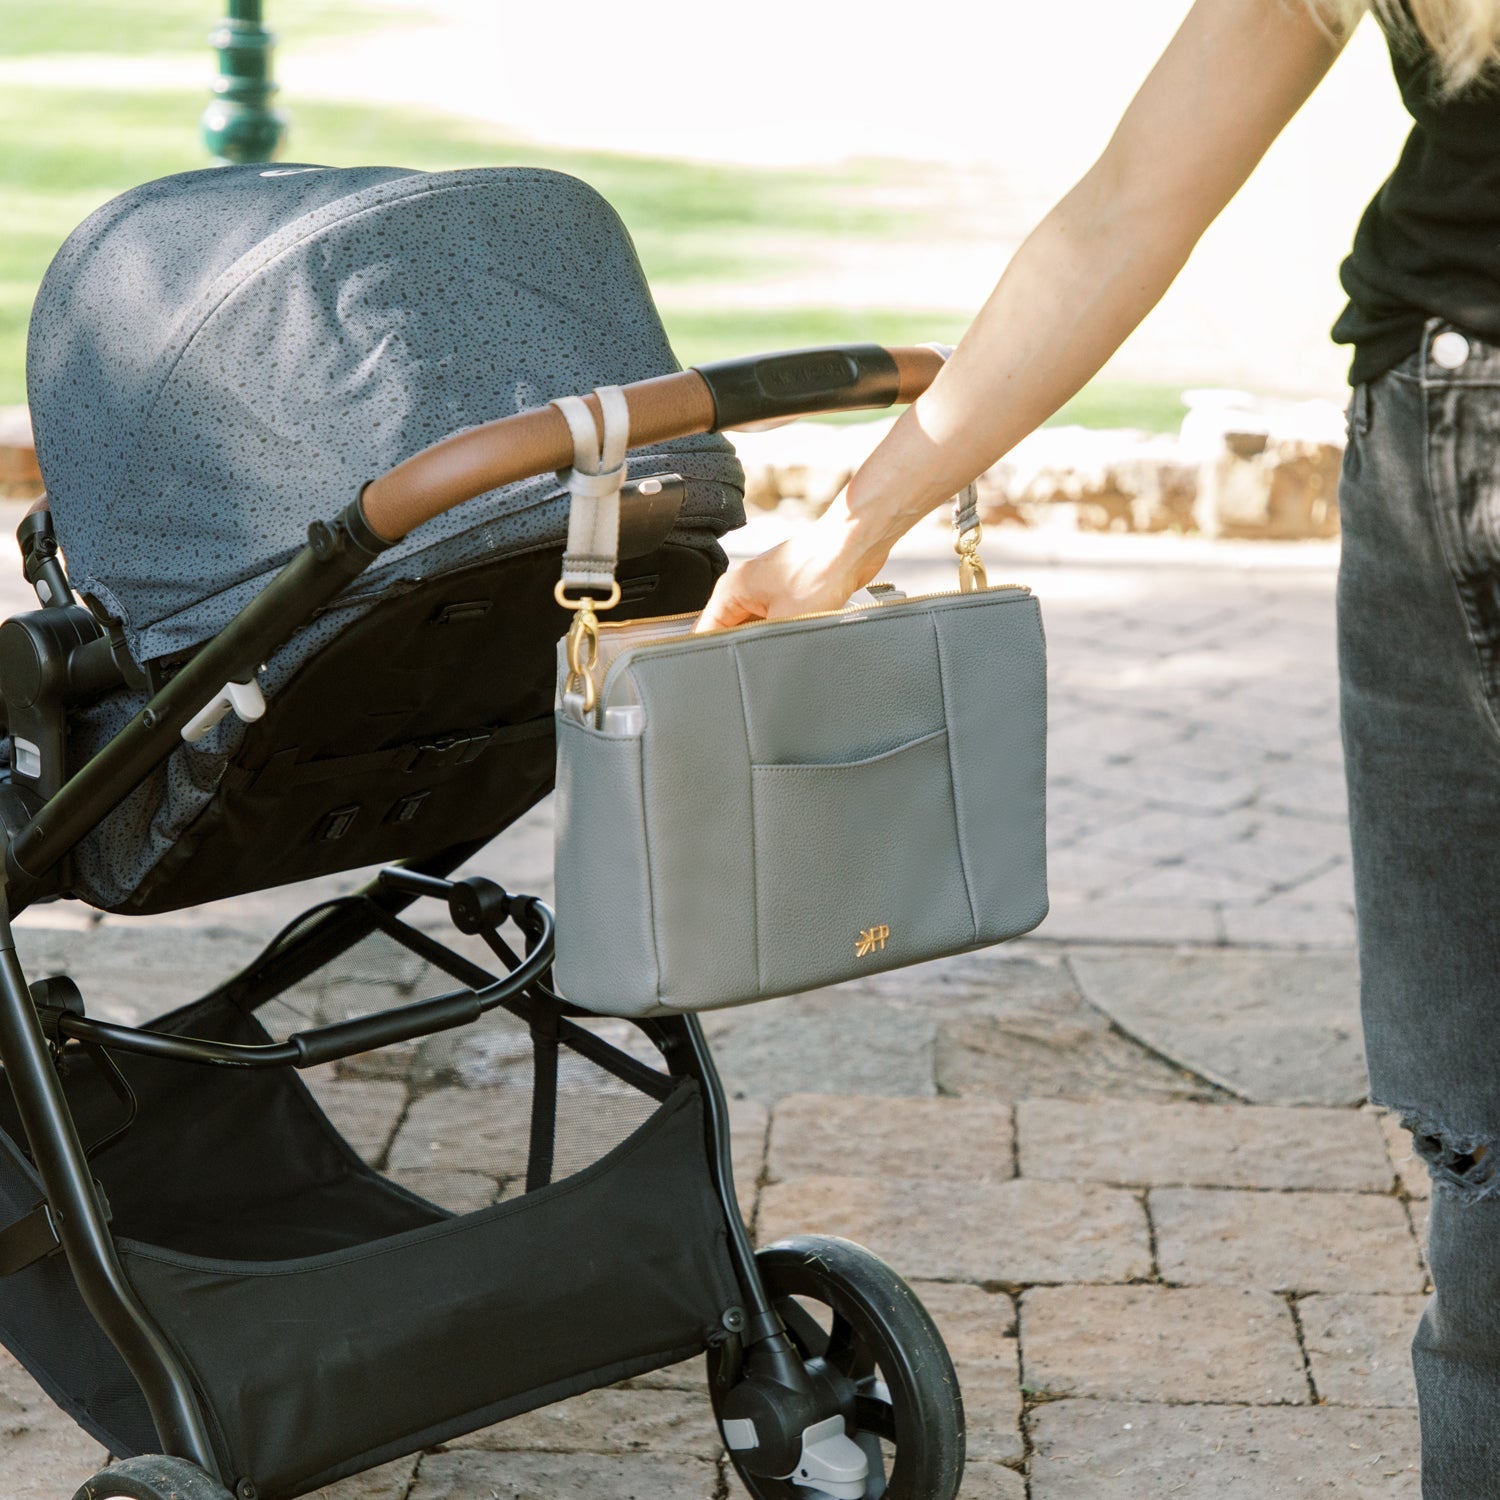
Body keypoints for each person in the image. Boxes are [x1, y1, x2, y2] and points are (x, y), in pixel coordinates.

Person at [699, 0, 1500, 1490]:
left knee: (1489, 1155)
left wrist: (859, 519)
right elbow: (1127, 204)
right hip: (1448, 440)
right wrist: (856, 526)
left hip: (1456, 420)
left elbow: (1129, 202)